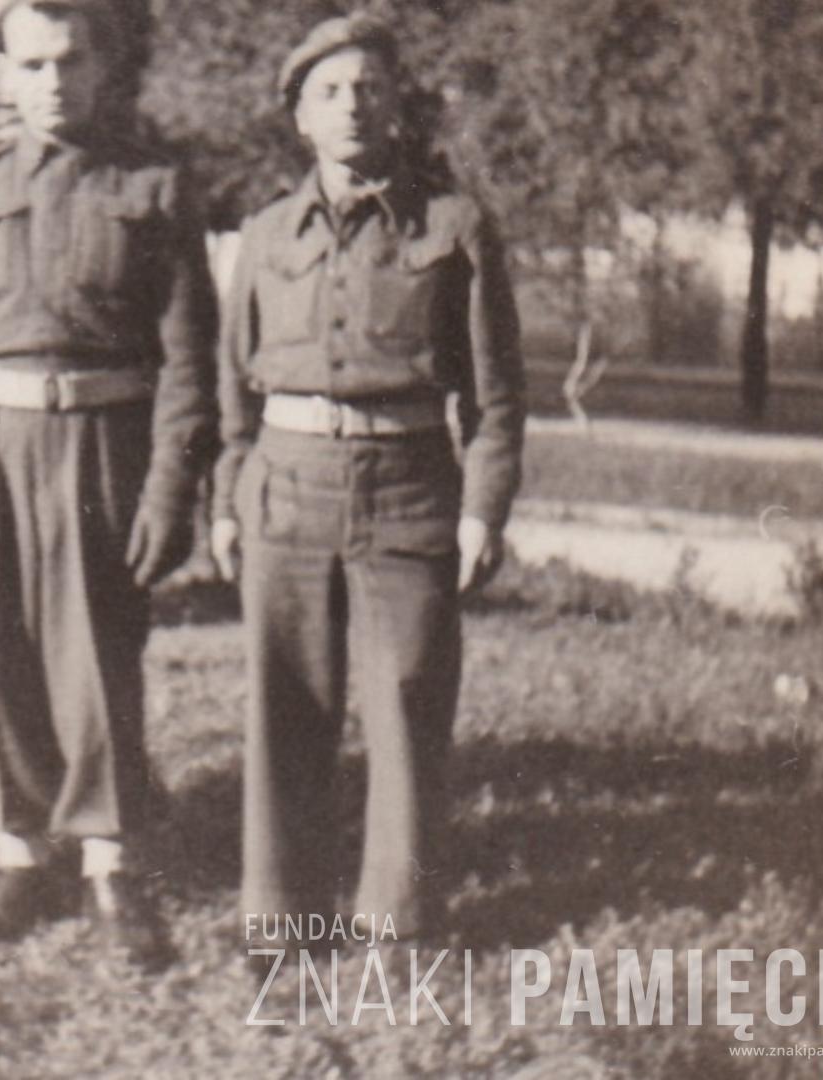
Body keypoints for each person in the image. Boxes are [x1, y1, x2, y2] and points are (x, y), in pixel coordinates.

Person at [0, 0, 217, 959]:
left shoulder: (154, 187)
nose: (53, 82)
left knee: (98, 650)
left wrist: (170, 489)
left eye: (70, 60)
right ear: (2, 73)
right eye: (31, 65)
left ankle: (110, 863)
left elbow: (189, 361)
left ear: (102, 65)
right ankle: (18, 857)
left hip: (105, 439)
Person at [212, 16, 525, 946]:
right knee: (285, 702)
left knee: (408, 702)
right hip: (288, 484)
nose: (351, 106)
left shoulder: (455, 226)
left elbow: (497, 395)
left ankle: (400, 924)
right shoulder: (265, 234)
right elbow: (234, 390)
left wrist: (482, 509)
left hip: (409, 486)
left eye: (369, 88)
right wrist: (229, 496)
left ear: (396, 106)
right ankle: (283, 919)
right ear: (300, 117)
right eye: (329, 91)